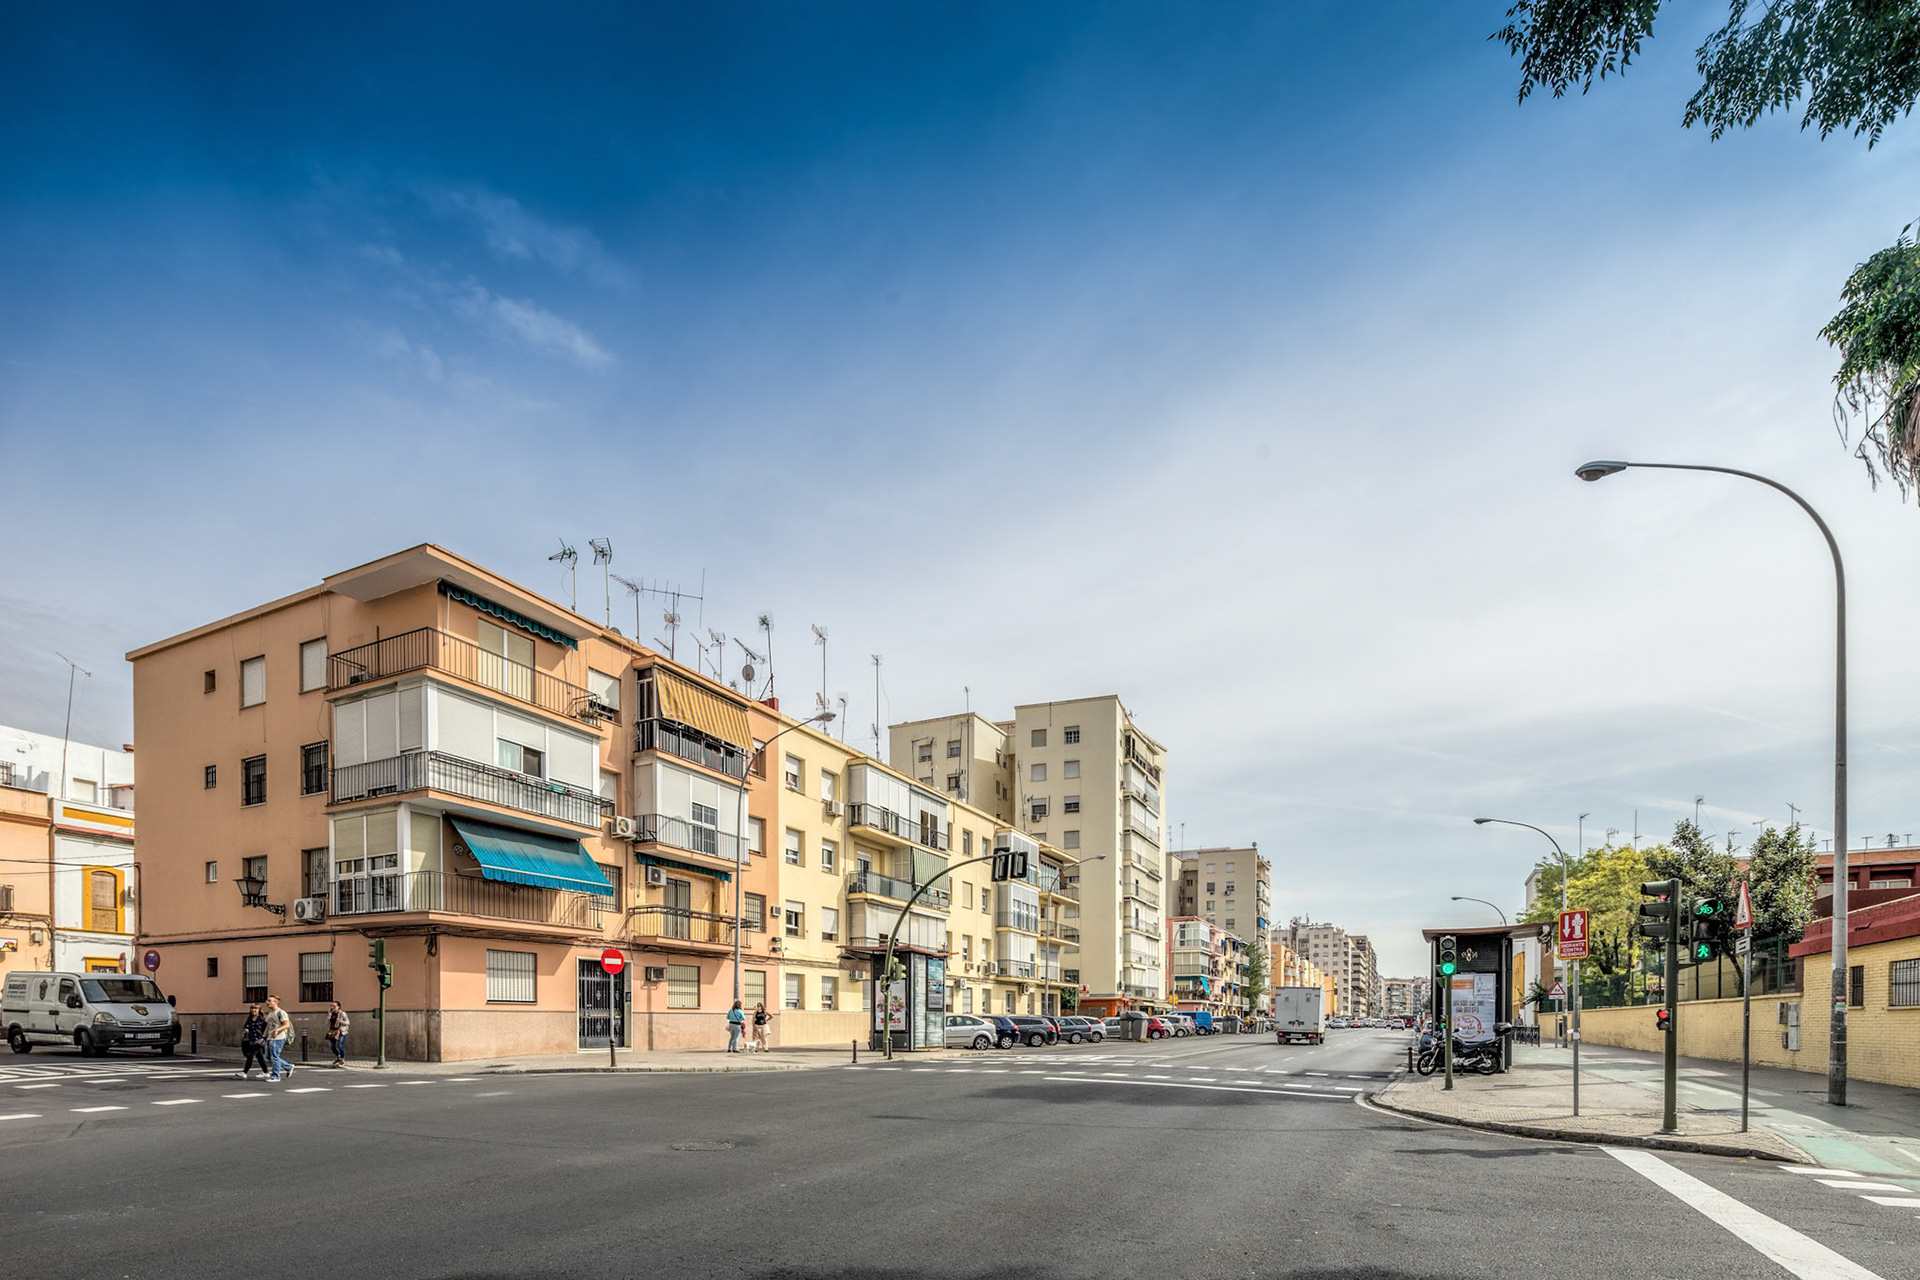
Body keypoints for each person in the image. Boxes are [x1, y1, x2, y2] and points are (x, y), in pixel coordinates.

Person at [262, 994, 294, 1081]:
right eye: (267, 1001)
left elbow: (286, 1025)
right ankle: (288, 1066)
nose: (267, 1002)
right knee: (269, 1057)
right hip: (270, 1037)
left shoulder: (281, 1012)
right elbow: (268, 1027)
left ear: (275, 1002)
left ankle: (276, 1076)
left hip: (279, 1038)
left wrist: (277, 1030)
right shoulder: (270, 1014)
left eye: (269, 1001)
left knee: (274, 1057)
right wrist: (263, 1037)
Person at [235, 1004, 270, 1080]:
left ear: (259, 1010)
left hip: (259, 1040)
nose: (254, 1010)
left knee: (250, 1055)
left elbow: (266, 1030)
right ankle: (266, 1072)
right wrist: (246, 1030)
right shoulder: (250, 1019)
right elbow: (246, 1027)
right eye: (252, 1008)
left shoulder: (262, 1019)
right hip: (251, 1040)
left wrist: (263, 1038)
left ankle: (244, 1072)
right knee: (259, 1056)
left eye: (256, 1009)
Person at [326, 1001, 351, 1067]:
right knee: (332, 1046)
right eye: (331, 1006)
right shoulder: (331, 1013)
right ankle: (338, 1057)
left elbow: (348, 1022)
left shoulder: (342, 1013)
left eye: (334, 1006)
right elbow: (327, 1022)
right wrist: (329, 1014)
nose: (332, 1008)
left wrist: (341, 1021)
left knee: (340, 1045)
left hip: (341, 1031)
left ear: (338, 1007)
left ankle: (342, 1059)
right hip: (332, 1031)